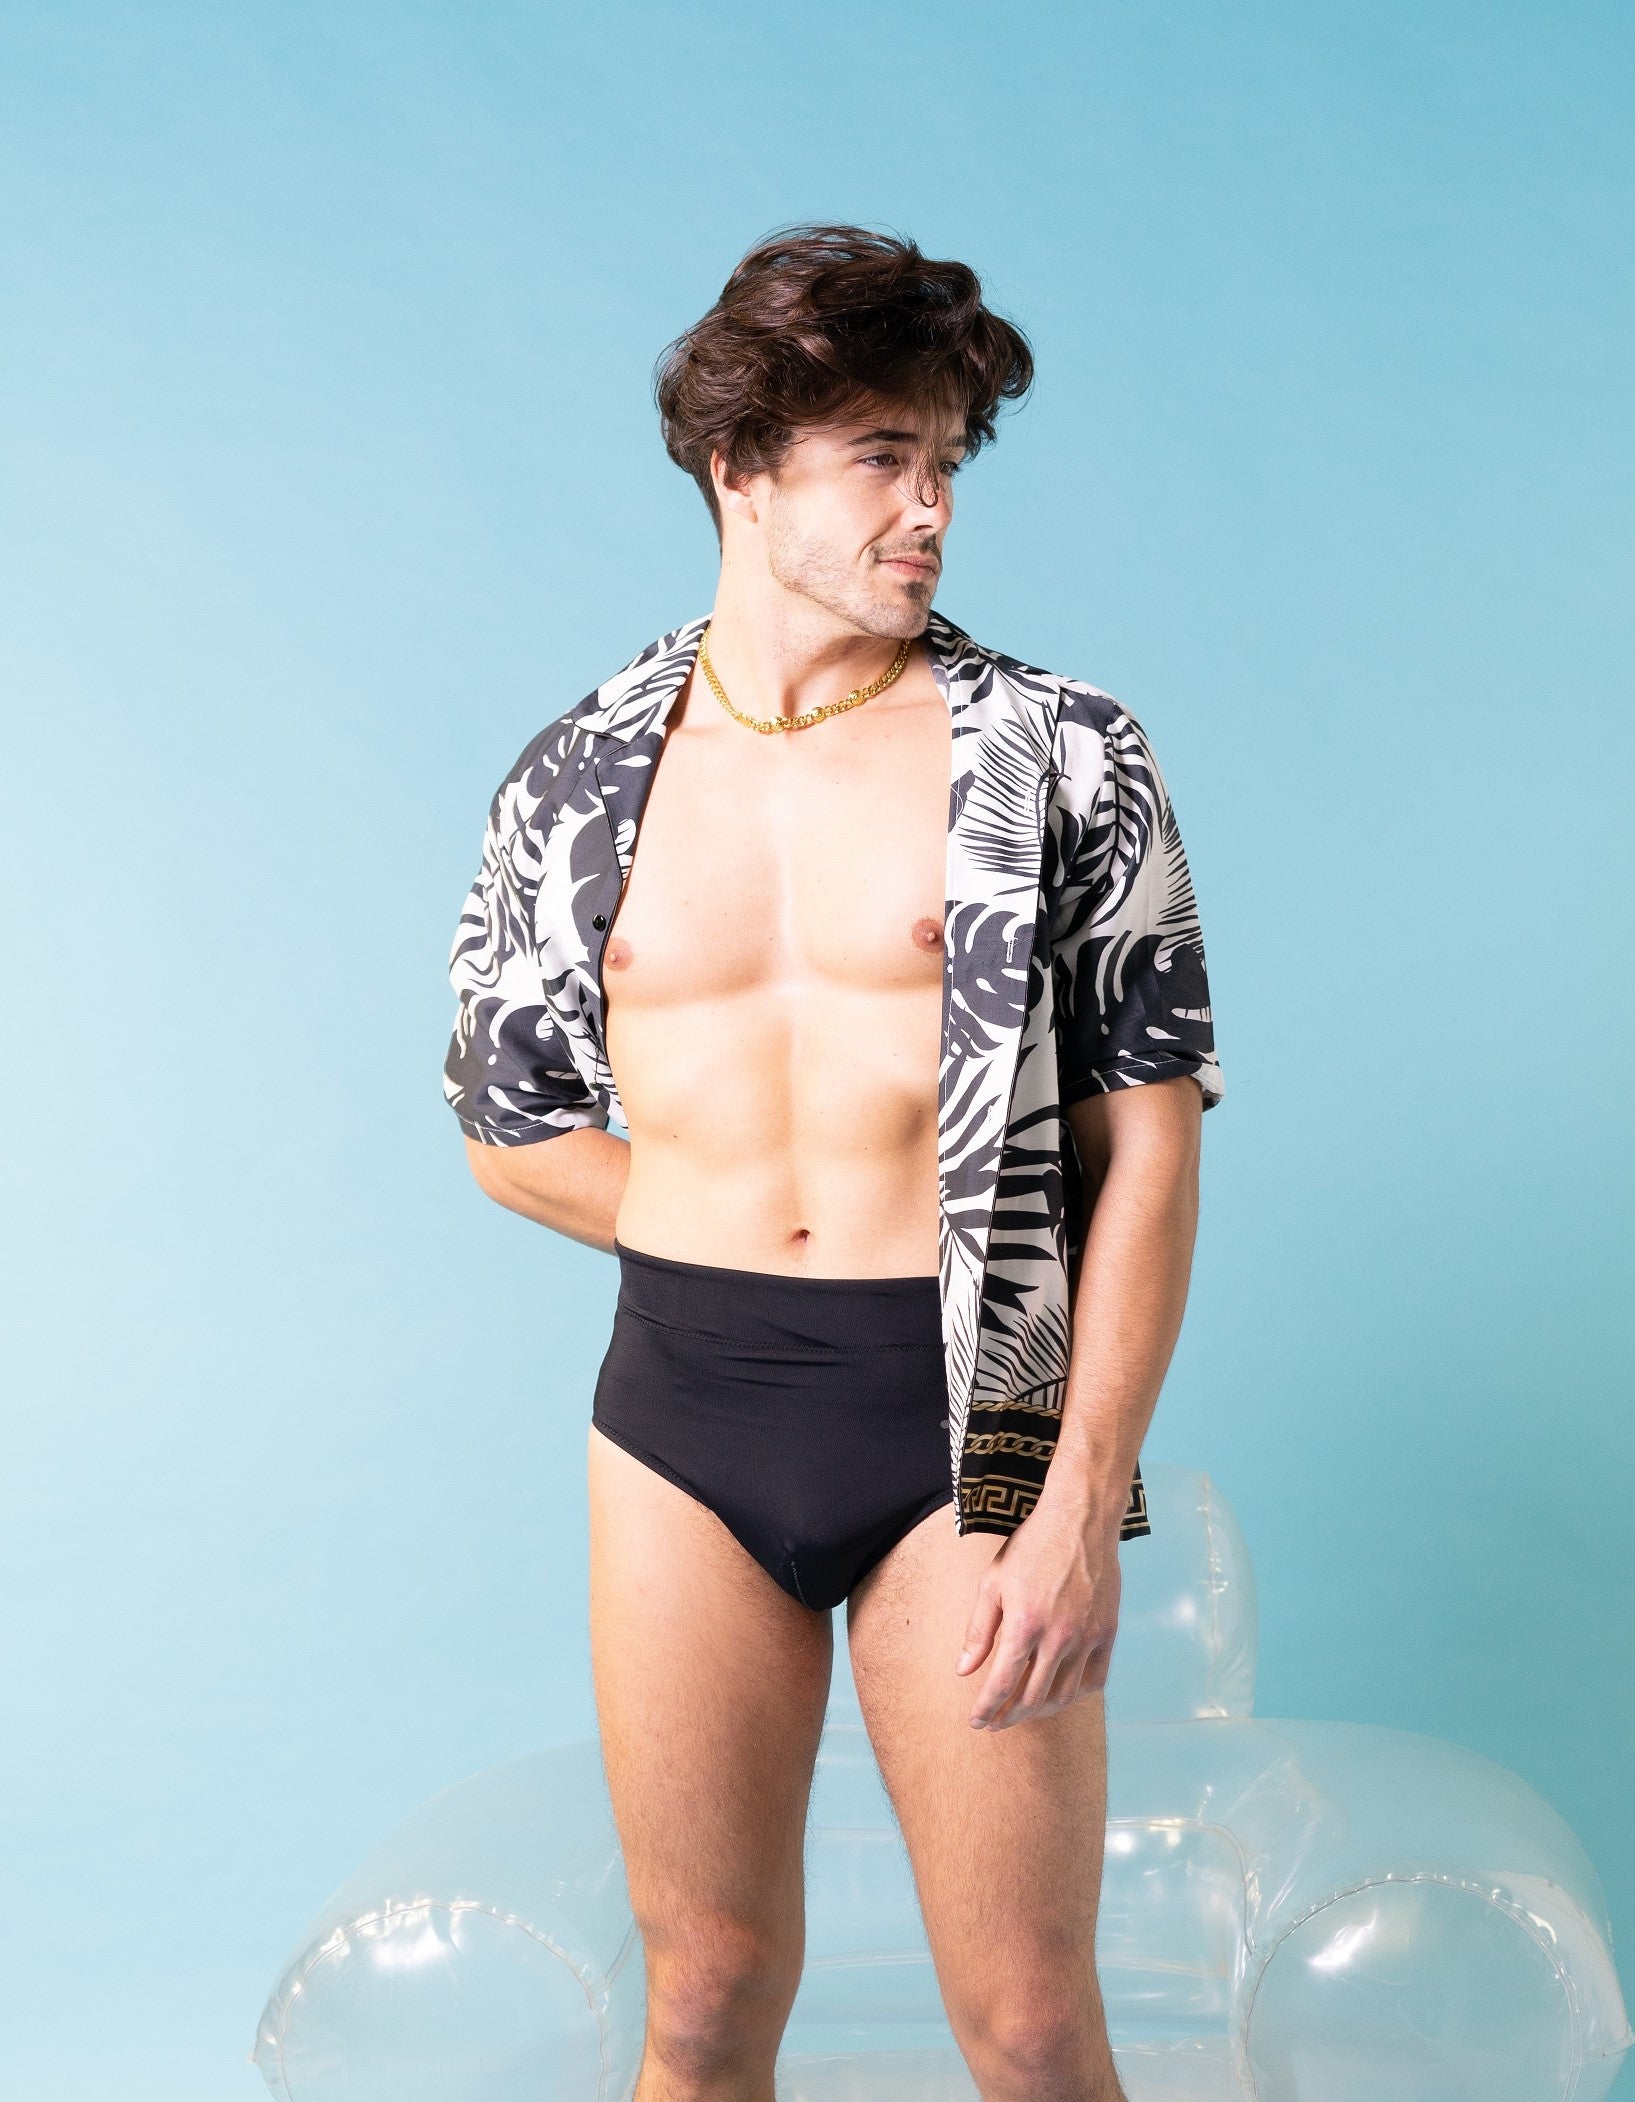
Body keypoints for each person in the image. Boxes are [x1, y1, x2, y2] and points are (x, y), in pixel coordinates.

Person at [443, 223, 1225, 2102]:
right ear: (741, 465)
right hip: (685, 1414)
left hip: (966, 1411)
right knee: (704, 1999)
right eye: (883, 455)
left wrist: (1072, 1493)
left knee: (1028, 2021)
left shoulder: (1064, 754)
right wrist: (715, 1222)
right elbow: (508, 1126)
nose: (930, 506)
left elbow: (1149, 1151)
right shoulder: (578, 773)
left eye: (946, 461)